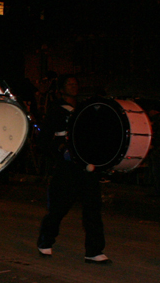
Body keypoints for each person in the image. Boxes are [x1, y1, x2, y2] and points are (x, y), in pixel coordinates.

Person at [36, 75, 111, 264]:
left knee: (93, 209)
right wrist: (60, 149)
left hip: (86, 167)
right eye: (69, 83)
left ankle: (93, 251)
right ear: (61, 89)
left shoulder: (86, 110)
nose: (74, 85)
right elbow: (44, 141)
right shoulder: (55, 110)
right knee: (59, 208)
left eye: (76, 83)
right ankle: (46, 240)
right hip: (67, 168)